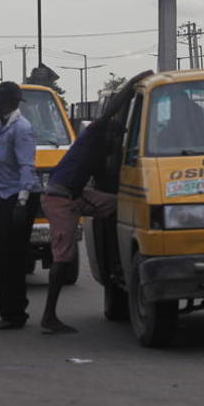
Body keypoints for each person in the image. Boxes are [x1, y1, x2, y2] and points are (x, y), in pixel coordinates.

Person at [39, 74, 147, 334]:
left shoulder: (102, 153)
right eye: (115, 138)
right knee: (62, 258)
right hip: (59, 199)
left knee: (117, 205)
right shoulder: (93, 134)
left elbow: (105, 186)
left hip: (73, 196)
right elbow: (113, 107)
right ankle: (49, 316)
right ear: (108, 132)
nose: (115, 144)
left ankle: (115, 261)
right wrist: (135, 82)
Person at [0, 82, 42, 331]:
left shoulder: (21, 128)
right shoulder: (4, 126)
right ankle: (11, 310)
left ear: (5, 102)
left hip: (20, 197)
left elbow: (27, 166)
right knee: (0, 256)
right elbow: (4, 170)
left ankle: (14, 313)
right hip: (6, 195)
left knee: (11, 257)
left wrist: (21, 201)